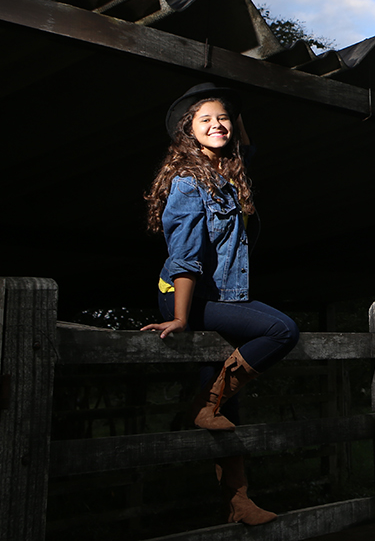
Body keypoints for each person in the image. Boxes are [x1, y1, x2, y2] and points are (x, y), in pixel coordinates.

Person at [141, 82, 299, 526]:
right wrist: (179, 317)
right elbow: (185, 257)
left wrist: (226, 98)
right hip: (187, 294)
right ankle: (201, 405)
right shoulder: (189, 181)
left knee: (228, 414)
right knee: (281, 329)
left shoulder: (231, 174)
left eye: (223, 118)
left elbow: (244, 141)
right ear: (187, 131)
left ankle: (239, 503)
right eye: (205, 119)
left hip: (225, 294)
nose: (218, 125)